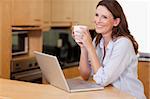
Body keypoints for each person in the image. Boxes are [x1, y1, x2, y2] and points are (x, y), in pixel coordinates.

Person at [72, 0, 146, 99]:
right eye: (97, 15)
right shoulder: (98, 41)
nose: (98, 20)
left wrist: (89, 46)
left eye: (104, 17)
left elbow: (103, 80)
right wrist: (84, 47)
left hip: (129, 96)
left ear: (116, 22)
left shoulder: (123, 44)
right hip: (109, 95)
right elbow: (85, 75)